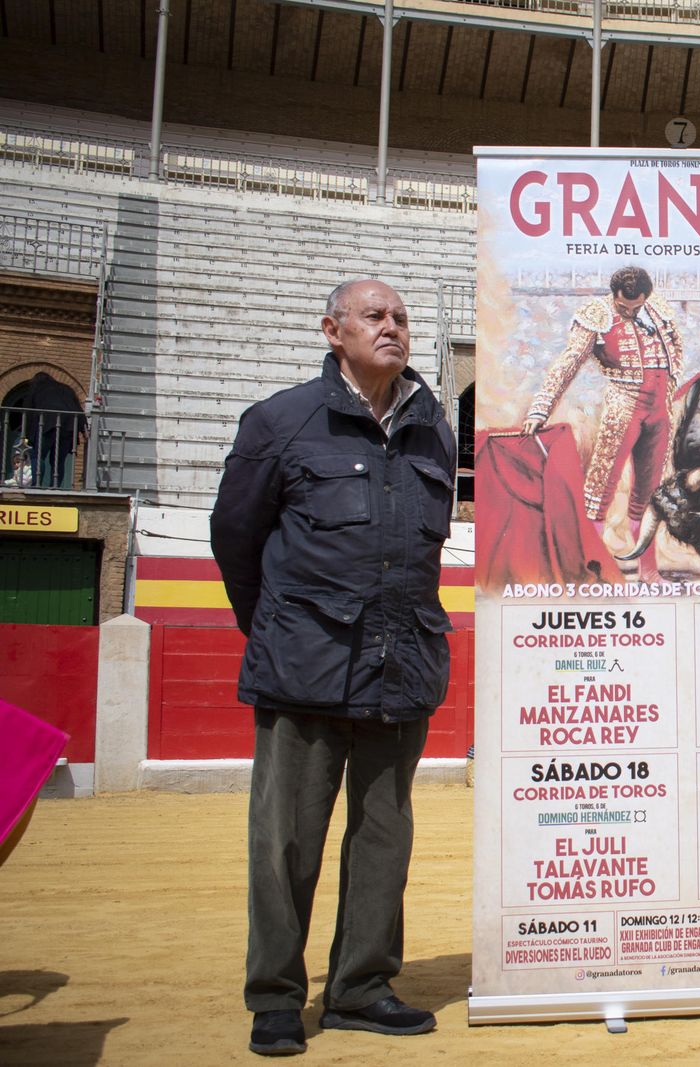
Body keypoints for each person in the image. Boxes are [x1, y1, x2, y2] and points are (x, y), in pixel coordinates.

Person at [212, 279, 456, 1056]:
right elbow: (235, 541)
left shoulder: (435, 430)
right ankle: (277, 994)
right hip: (304, 666)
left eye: (402, 318)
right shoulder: (281, 422)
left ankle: (360, 986)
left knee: (384, 836)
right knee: (286, 841)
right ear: (332, 330)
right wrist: (281, 628)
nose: (392, 328)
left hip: (403, 662)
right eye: (374, 316)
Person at [521, 265, 683, 576]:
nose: (631, 312)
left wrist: (671, 385)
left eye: (637, 307)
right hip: (624, 406)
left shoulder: (657, 310)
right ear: (614, 296)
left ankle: (648, 569)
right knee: (600, 488)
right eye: (624, 307)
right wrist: (541, 407)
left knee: (649, 491)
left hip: (660, 409)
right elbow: (569, 362)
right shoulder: (597, 314)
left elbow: (674, 350)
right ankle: (589, 568)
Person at [23, 372, 86, 489]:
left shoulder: (37, 388)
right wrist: (83, 429)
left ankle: (36, 484)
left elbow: (27, 410)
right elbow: (78, 409)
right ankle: (55, 486)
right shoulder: (66, 389)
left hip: (46, 423)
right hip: (68, 426)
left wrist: (26, 434)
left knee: (38, 456)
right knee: (58, 460)